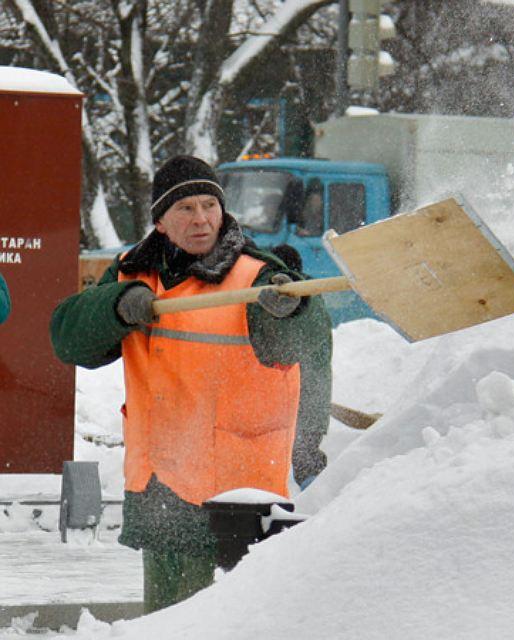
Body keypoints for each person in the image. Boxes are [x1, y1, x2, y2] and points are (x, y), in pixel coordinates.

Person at [49, 156, 332, 613]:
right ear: (160, 221)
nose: (201, 219)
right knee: (165, 617)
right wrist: (116, 307)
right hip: (159, 482)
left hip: (234, 496)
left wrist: (291, 313)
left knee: (225, 619)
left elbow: (309, 348)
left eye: (209, 205)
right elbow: (67, 339)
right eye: (185, 208)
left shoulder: (256, 274)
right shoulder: (130, 273)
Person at [270, 243, 330, 487]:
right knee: (307, 456)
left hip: (296, 397)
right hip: (316, 397)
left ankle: (318, 506)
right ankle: (321, 500)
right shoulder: (312, 293)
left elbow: (282, 351)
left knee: (298, 456)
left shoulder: (290, 300)